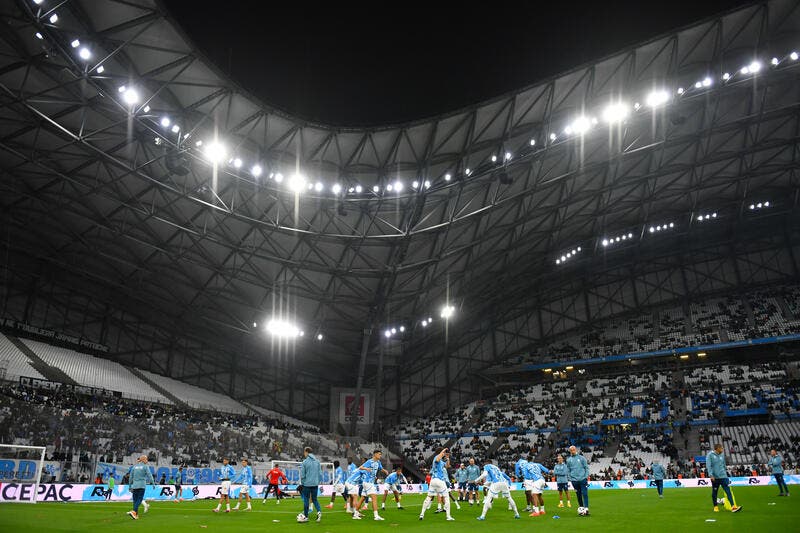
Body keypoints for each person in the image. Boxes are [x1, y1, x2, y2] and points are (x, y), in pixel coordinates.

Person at [419, 447, 455, 521]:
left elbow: (447, 466)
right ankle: (448, 516)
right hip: (439, 480)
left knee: (428, 497)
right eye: (444, 453)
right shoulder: (437, 457)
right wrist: (443, 451)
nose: (444, 454)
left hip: (433, 481)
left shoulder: (441, 461)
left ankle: (422, 514)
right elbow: (438, 459)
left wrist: (448, 458)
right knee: (446, 497)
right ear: (441, 452)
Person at [706, 443, 742, 513]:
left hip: (723, 476)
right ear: (717, 448)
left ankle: (733, 507)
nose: (723, 449)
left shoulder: (722, 455)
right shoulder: (710, 455)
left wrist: (726, 474)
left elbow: (724, 464)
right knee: (715, 492)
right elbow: (708, 466)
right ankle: (715, 506)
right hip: (715, 477)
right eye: (721, 448)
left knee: (728, 491)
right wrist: (711, 475)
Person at [355, 449, 388, 521]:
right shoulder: (369, 461)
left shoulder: (378, 462)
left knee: (362, 498)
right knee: (374, 498)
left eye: (380, 454)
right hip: (368, 482)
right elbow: (360, 467)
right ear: (375, 454)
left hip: (368, 482)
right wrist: (366, 468)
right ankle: (376, 516)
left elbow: (381, 468)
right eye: (379, 454)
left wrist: (385, 471)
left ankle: (355, 514)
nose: (380, 455)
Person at [126, 455, 155, 520]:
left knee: (135, 500)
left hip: (135, 486)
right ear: (143, 460)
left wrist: (130, 486)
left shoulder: (134, 467)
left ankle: (135, 515)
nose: (147, 461)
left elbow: (131, 477)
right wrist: (153, 483)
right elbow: (149, 475)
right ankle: (134, 512)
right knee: (139, 499)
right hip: (141, 485)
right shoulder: (145, 467)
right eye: (146, 459)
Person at [297, 447, 322, 523]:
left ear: (307, 452)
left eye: (304, 452)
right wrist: (317, 481)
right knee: (315, 499)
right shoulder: (317, 462)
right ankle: (319, 512)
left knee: (306, 500)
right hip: (315, 484)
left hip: (307, 484)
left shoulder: (305, 462)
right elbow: (320, 474)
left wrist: (304, 483)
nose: (304, 454)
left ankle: (306, 516)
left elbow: (302, 475)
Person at [567, 445, 590, 516]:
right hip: (574, 481)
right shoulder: (568, 460)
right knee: (578, 495)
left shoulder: (581, 458)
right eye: (571, 450)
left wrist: (586, 477)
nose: (572, 451)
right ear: (570, 451)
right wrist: (570, 478)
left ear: (576, 450)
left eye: (573, 449)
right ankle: (581, 507)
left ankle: (586, 508)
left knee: (585, 493)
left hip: (583, 479)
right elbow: (568, 470)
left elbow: (586, 468)